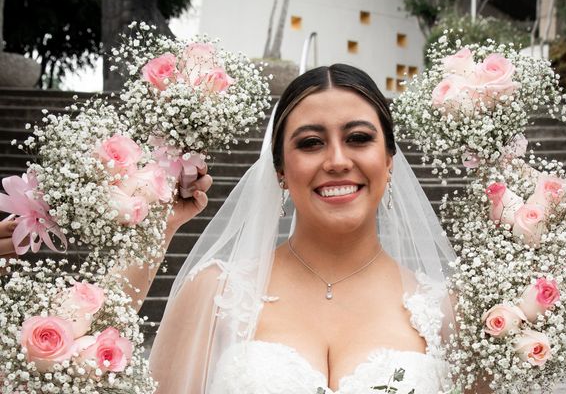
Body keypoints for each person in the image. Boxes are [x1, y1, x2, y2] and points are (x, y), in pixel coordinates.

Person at [147, 64, 462, 393]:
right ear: (280, 169)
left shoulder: (444, 310)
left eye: (358, 138)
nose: (337, 161)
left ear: (388, 160)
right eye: (311, 143)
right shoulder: (216, 294)